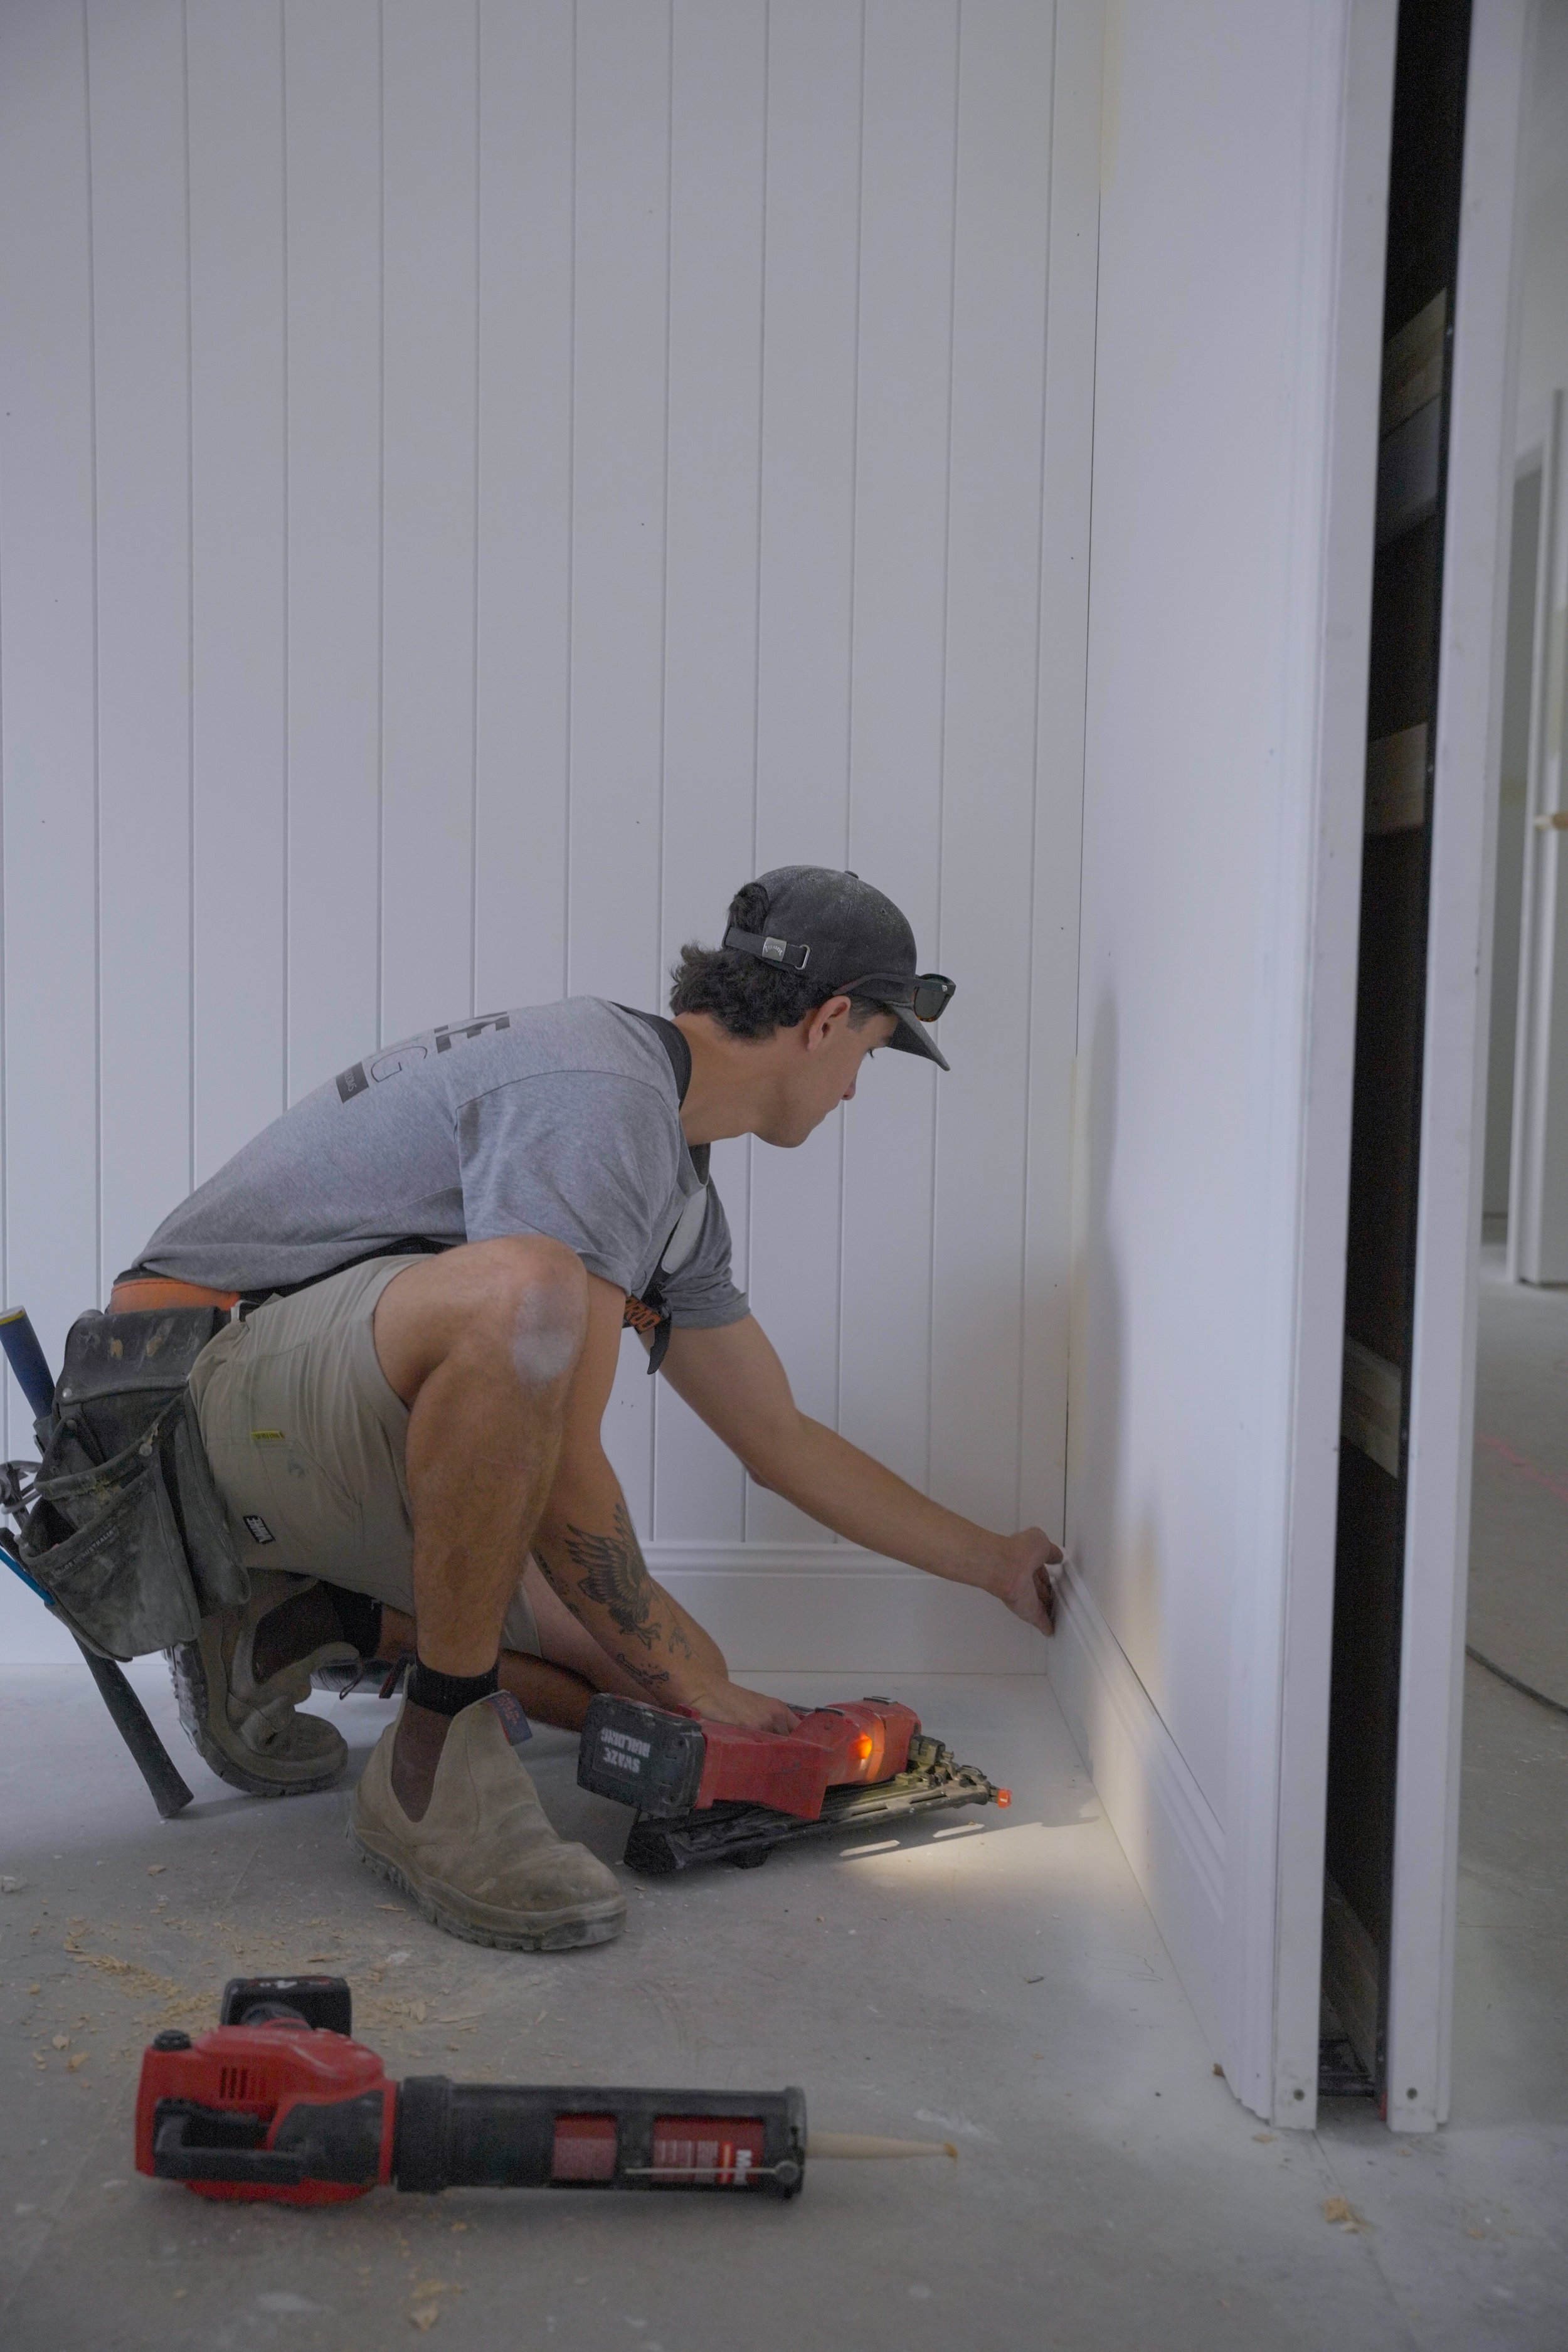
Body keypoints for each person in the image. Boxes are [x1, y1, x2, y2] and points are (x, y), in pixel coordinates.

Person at [125, 867, 1062, 1952]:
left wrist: (994, 1563)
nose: (856, 1087)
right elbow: (564, 1457)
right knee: (529, 1296)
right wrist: (705, 1684)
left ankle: (296, 1627)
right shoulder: (602, 1092)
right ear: (828, 1020)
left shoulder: (673, 1189)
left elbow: (780, 1441)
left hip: (303, 1420)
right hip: (176, 1398)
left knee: (659, 1684)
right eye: (869, 1053)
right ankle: (435, 1758)